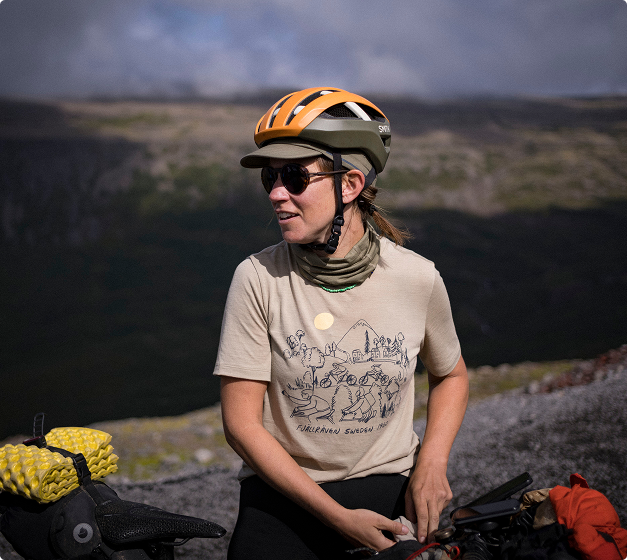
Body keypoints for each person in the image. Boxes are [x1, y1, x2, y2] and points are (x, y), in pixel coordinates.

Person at [214, 87, 469, 559]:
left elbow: (450, 374)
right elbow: (241, 426)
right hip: (283, 499)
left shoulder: (417, 278)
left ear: (349, 185)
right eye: (270, 177)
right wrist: (337, 519)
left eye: (294, 177)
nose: (276, 193)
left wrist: (432, 463)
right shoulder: (257, 277)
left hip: (388, 491)